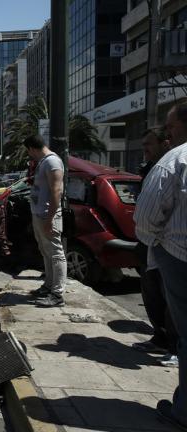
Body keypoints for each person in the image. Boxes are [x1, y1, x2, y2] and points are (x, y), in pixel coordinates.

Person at [134, 102, 187, 430]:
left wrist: (155, 243)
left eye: (170, 129)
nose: (168, 136)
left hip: (179, 255)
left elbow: (146, 217)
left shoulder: (176, 160)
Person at [132, 127, 178, 368]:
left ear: (165, 143)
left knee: (172, 299)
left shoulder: (171, 167)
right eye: (143, 145)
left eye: (149, 144)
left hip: (168, 245)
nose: (145, 150)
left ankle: (175, 346)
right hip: (148, 244)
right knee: (152, 293)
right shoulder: (148, 169)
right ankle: (159, 338)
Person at [23, 134, 67, 307]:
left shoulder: (52, 162)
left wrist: (49, 218)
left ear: (32, 148)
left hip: (48, 216)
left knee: (56, 253)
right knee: (46, 250)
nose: (29, 155)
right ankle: (49, 285)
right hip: (40, 214)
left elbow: (57, 191)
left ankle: (57, 294)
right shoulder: (44, 162)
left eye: (28, 152)